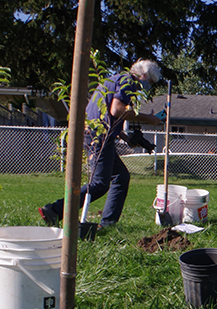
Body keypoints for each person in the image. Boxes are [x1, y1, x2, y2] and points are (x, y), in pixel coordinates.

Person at [38, 59, 162, 228]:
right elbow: (117, 110)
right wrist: (148, 117)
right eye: (150, 82)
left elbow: (107, 115)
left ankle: (108, 223)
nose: (148, 87)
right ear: (144, 75)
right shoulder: (128, 82)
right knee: (99, 184)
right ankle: (55, 210)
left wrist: (127, 139)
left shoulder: (115, 80)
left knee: (121, 177)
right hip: (97, 136)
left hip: (98, 133)